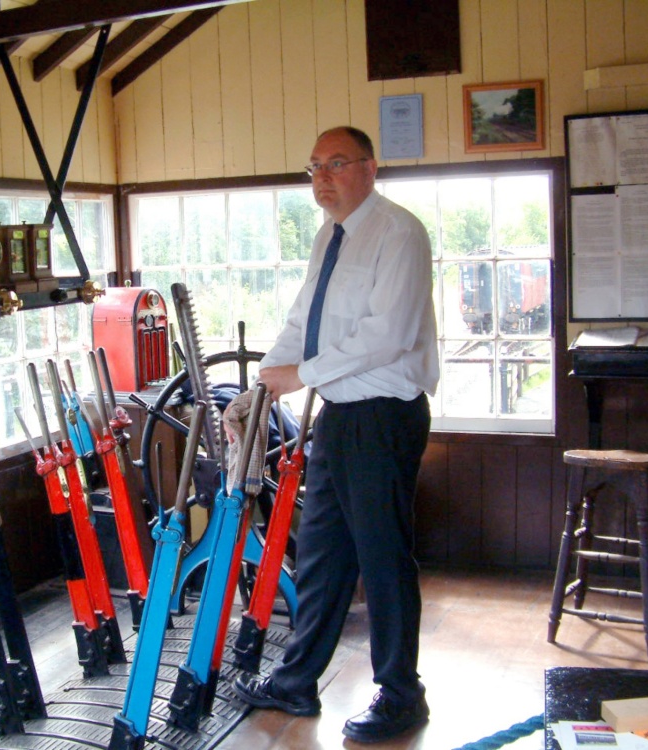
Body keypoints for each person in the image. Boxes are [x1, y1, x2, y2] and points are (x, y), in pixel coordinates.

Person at [232, 125, 439, 744]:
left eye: (337, 164)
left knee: (381, 557)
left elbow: (389, 333)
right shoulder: (330, 235)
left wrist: (303, 375)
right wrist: (265, 382)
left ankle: (402, 695)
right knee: (321, 551)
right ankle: (298, 679)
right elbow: (305, 319)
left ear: (371, 169)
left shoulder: (398, 232)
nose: (322, 178)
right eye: (314, 167)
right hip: (340, 416)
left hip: (383, 416)